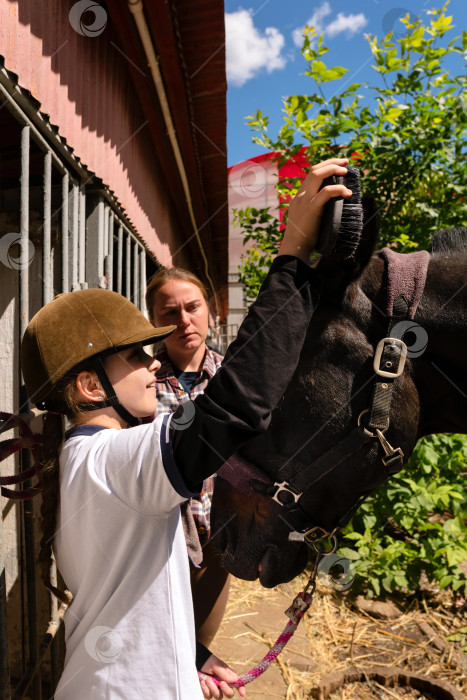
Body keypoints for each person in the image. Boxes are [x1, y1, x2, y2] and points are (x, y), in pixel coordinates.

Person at [20, 159, 353, 699]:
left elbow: (137, 594)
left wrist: (192, 655)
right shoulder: (117, 459)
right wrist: (293, 251)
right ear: (88, 387)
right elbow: (238, 406)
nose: (153, 363)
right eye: (134, 356)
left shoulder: (93, 460)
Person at [146, 267, 229, 652]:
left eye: (193, 307)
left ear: (208, 310)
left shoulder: (234, 379)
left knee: (199, 649)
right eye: (169, 313)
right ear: (153, 321)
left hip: (217, 542)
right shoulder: (141, 382)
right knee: (161, 649)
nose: (184, 321)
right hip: (158, 545)